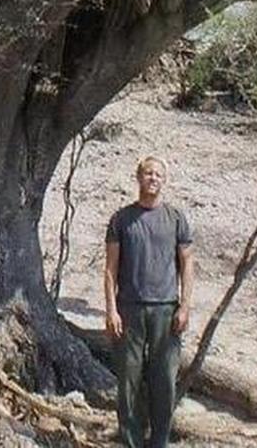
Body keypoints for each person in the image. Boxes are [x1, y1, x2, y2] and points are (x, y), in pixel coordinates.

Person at [104, 155, 193, 448]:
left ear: (163, 181)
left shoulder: (176, 218)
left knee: (164, 382)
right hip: (129, 309)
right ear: (138, 177)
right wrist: (111, 310)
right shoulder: (121, 219)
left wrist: (185, 306)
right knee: (128, 382)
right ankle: (130, 440)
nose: (152, 178)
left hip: (166, 309)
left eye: (158, 174)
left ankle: (159, 441)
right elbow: (110, 269)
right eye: (147, 173)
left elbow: (187, 264)